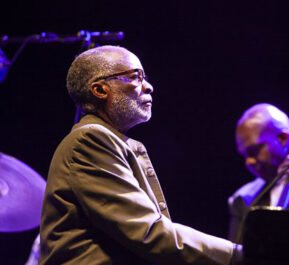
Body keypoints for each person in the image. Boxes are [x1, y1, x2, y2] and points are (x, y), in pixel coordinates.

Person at [39, 45, 242, 265]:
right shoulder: (89, 141)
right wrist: (237, 255)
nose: (149, 86)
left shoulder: (109, 140)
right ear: (99, 90)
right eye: (136, 77)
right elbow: (148, 231)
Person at [228, 103, 289, 243]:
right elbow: (237, 258)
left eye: (254, 151)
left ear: (283, 138)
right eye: (244, 155)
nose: (248, 162)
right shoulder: (242, 199)